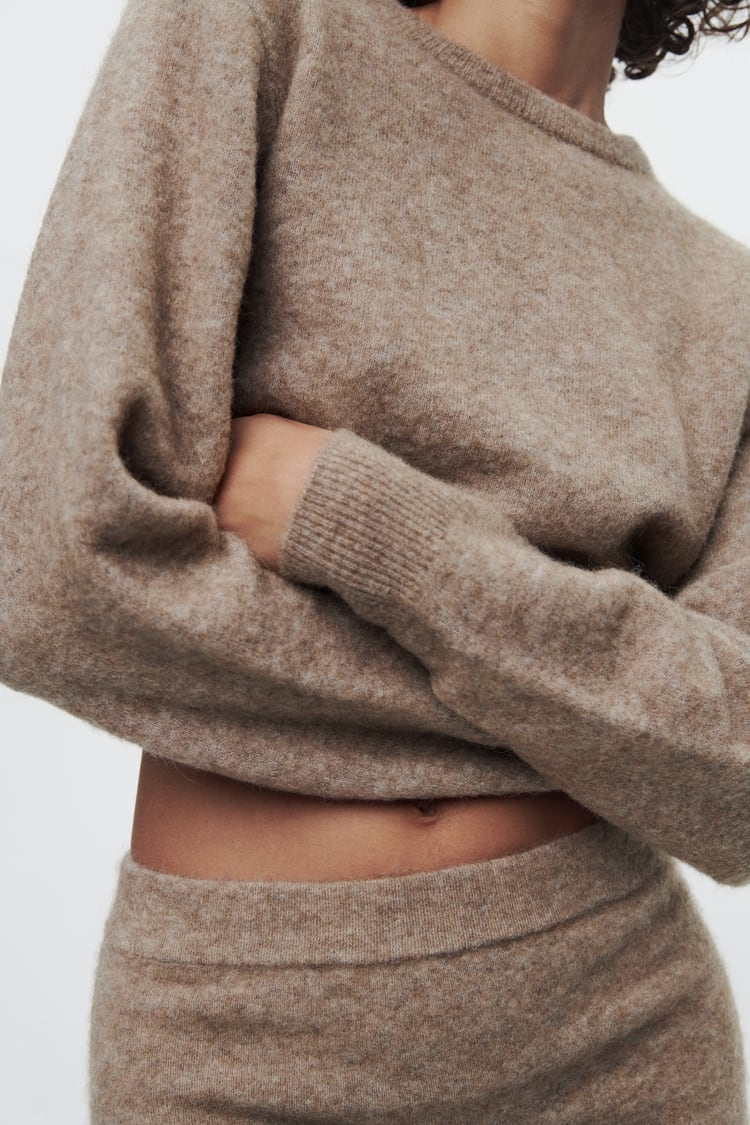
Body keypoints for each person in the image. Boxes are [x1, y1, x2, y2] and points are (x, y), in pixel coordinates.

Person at [1, 0, 749, 1119]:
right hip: (239, 1045)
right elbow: (53, 570)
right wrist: (597, 714)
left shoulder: (726, 303)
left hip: (628, 1035)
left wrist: (363, 526)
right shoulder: (258, 31)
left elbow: (736, 775)